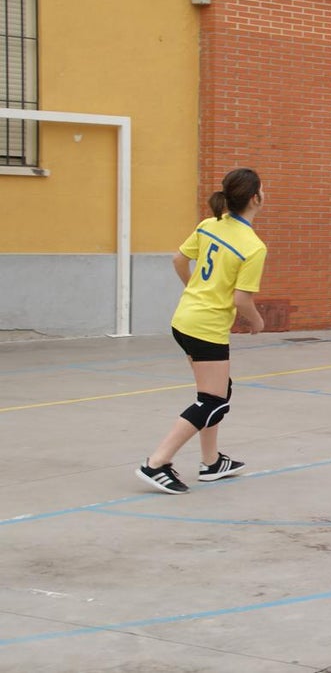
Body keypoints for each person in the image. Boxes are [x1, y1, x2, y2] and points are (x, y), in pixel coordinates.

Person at [136, 168, 267, 494]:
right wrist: (257, 321)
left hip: (184, 320)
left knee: (217, 393)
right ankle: (156, 463)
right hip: (206, 327)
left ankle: (211, 463)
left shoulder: (210, 225)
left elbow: (178, 260)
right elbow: (241, 299)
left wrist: (193, 289)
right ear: (255, 198)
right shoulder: (253, 246)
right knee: (212, 400)